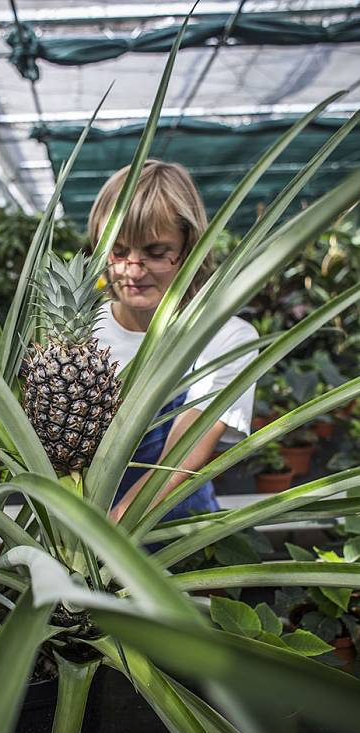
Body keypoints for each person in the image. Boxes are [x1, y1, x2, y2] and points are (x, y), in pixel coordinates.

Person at [88, 159, 258, 525]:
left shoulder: (225, 337)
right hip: (84, 527)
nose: (132, 270)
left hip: (180, 539)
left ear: (190, 247)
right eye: (118, 252)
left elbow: (186, 449)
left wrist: (103, 532)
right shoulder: (82, 333)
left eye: (155, 251)